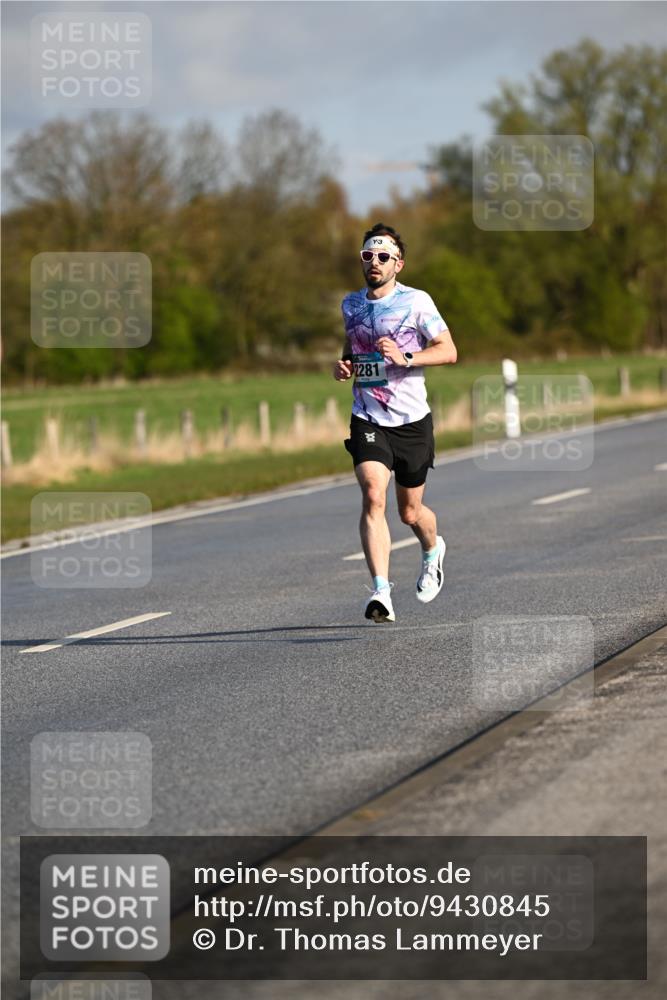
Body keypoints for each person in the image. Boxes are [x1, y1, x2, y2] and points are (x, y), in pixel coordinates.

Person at [333, 223, 457, 623]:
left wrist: (406, 357)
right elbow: (352, 349)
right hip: (368, 414)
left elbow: (448, 351)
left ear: (398, 264)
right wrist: (344, 365)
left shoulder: (417, 302)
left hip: (411, 420)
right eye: (368, 255)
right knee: (373, 494)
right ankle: (381, 591)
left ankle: (432, 550)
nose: (374, 262)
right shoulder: (351, 304)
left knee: (409, 512)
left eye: (383, 256)